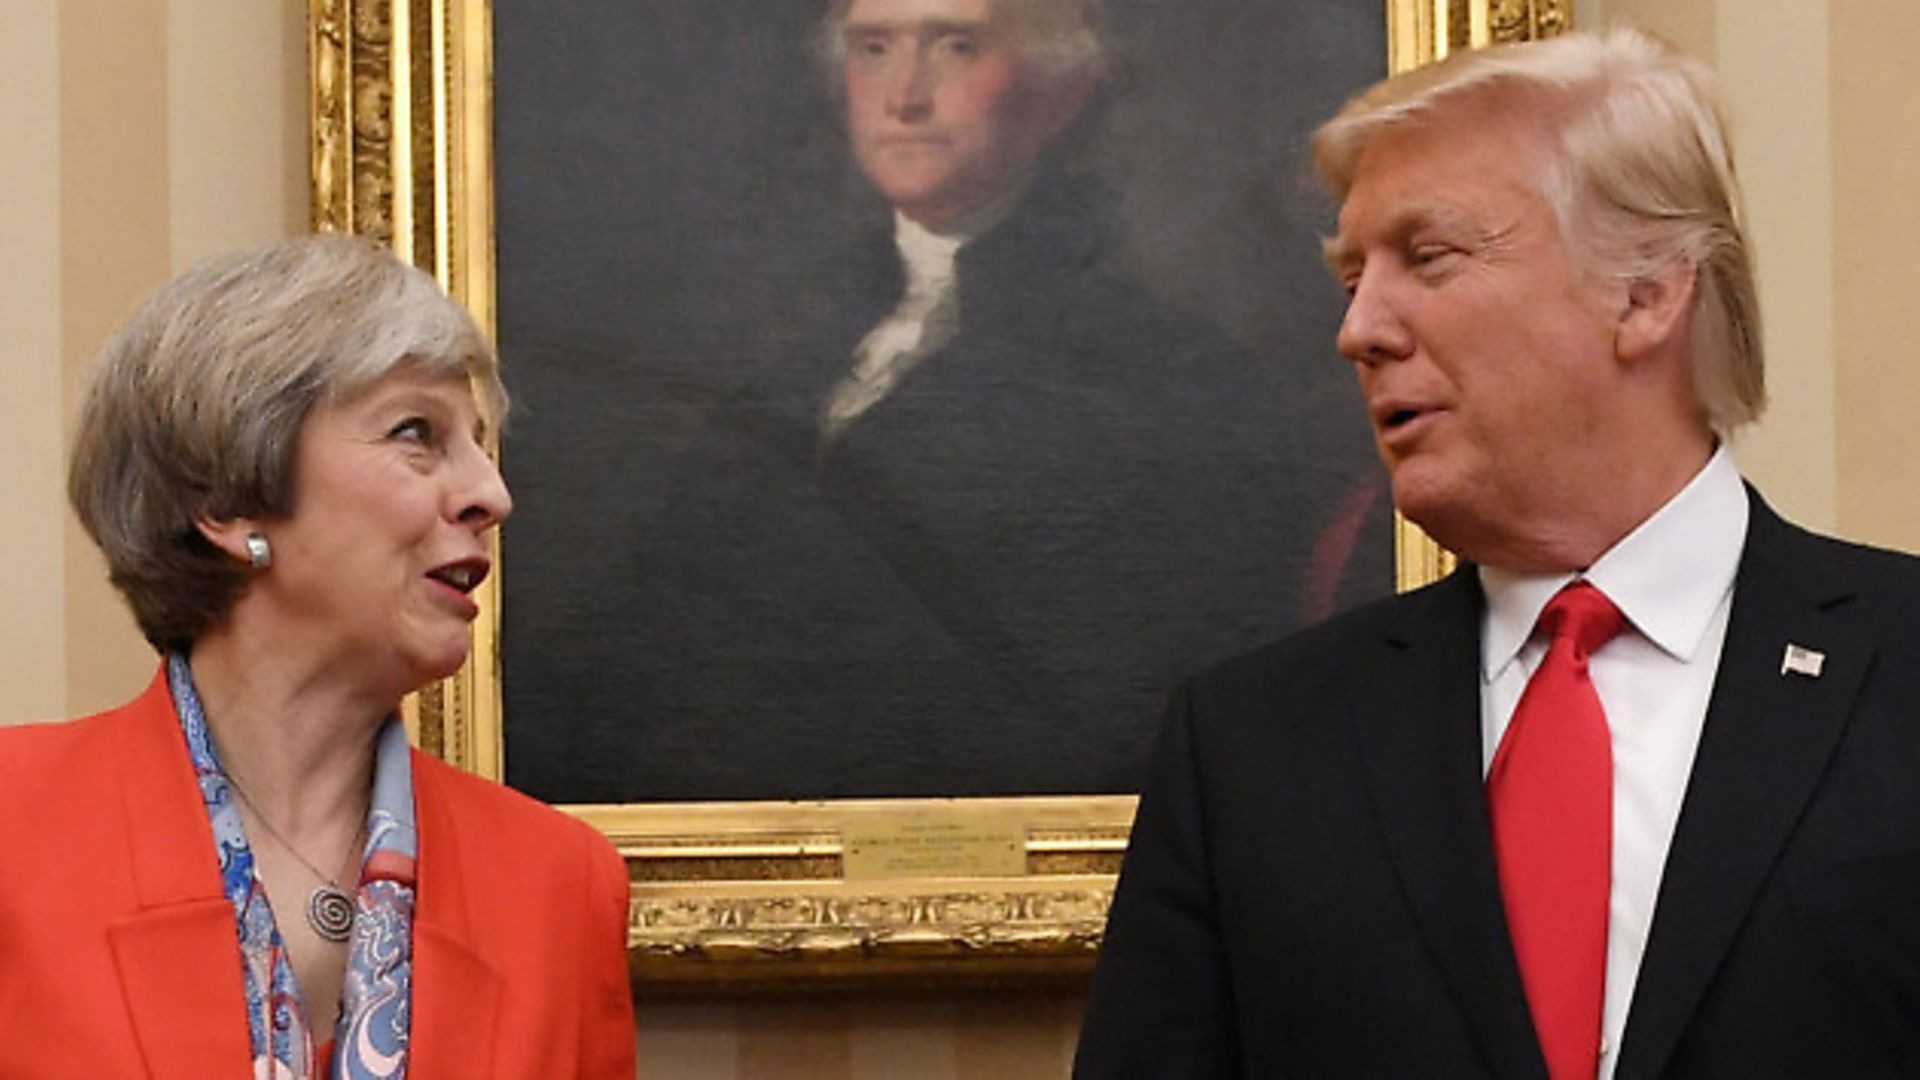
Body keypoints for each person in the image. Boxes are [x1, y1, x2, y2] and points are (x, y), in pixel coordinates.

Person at [1077, 27, 1920, 1078]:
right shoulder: (1249, 750)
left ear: (1647, 290)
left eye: (1428, 258)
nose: (1360, 329)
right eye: (1352, 280)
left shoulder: (1901, 670)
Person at [503, 0, 1385, 803]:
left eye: (955, 46)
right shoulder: (803, 364)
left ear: (1057, 93)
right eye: (874, 49)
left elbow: (1116, 703)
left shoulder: (1172, 378)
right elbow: (642, 627)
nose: (904, 96)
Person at [0, 236, 636, 1077]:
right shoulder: (16, 830)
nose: (492, 494)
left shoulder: (561, 886)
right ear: (227, 498)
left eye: (480, 445)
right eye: (418, 433)